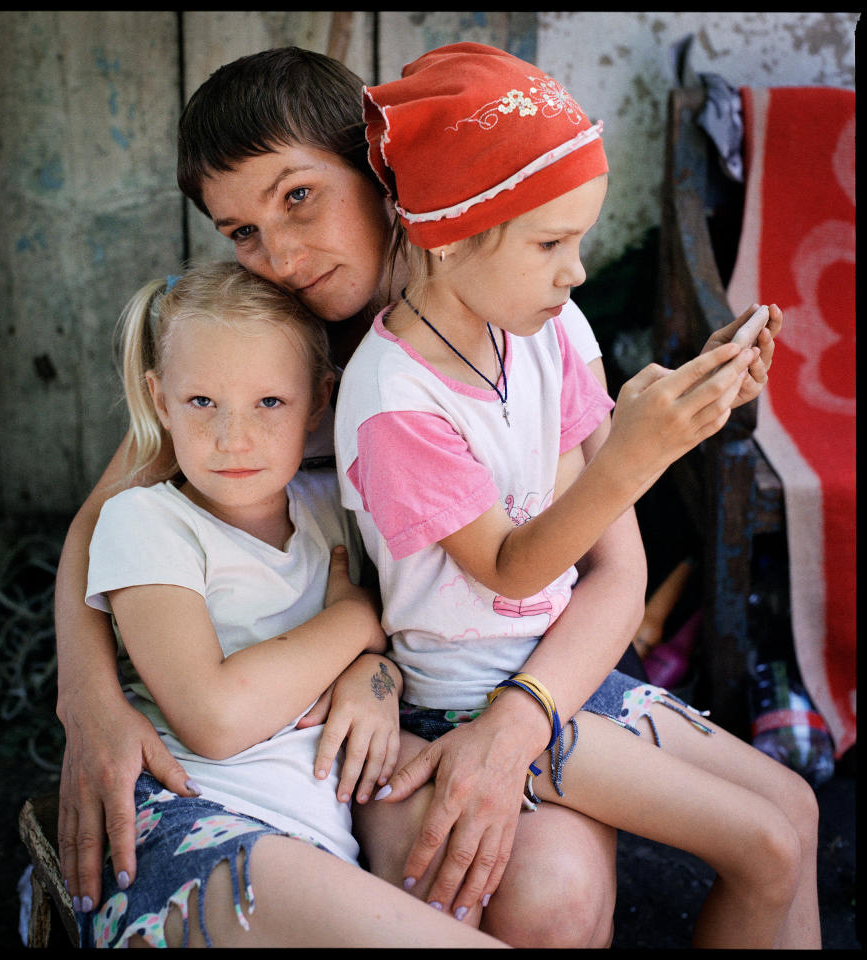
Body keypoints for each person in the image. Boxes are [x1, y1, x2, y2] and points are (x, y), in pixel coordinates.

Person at [52, 47, 776, 947]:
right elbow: (103, 521)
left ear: (381, 171)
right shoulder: (257, 357)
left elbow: (616, 569)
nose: (277, 253)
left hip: (537, 671)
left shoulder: (524, 307)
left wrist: (519, 720)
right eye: (241, 230)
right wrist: (86, 702)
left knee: (557, 902)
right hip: (377, 695)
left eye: (299, 196)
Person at [333, 42, 820, 948]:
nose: (578, 270)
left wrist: (688, 407)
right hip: (472, 700)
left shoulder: (544, 327)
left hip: (573, 671)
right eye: (551, 243)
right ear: (449, 235)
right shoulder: (394, 400)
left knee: (796, 809)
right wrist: (634, 457)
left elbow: (585, 521)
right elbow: (512, 569)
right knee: (768, 846)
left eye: (581, 238)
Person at [77, 259, 506, 947]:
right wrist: (357, 618)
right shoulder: (145, 524)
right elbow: (216, 718)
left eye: (269, 403)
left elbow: (386, 658)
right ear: (160, 400)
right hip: (198, 817)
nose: (232, 437)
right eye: (201, 403)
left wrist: (376, 683)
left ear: (319, 402)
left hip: (324, 815)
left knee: (449, 877)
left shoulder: (331, 510)